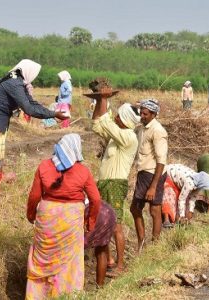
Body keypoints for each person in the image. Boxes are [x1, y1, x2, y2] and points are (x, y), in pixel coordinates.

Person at [0, 59, 67, 203]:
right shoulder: (15, 84)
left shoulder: (16, 82)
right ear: (29, 72)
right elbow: (29, 109)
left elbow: (31, 103)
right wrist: (53, 114)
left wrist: (52, 112)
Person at [26, 133, 101, 299]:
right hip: (71, 219)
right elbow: (95, 199)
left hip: (47, 217)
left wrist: (31, 215)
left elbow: (34, 196)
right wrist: (90, 222)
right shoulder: (82, 171)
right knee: (68, 263)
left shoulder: (44, 166)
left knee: (42, 260)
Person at [91, 93, 140, 275]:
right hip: (104, 183)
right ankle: (110, 259)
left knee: (116, 225)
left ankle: (120, 265)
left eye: (119, 115)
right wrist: (98, 101)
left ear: (126, 120)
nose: (116, 117)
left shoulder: (128, 137)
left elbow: (107, 123)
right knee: (104, 223)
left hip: (115, 185)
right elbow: (97, 124)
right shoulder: (117, 136)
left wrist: (104, 99)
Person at [130, 99, 168, 253]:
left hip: (154, 173)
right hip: (143, 173)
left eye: (145, 113)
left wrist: (153, 186)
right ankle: (142, 242)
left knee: (154, 211)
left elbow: (161, 161)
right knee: (135, 208)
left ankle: (155, 245)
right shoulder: (141, 128)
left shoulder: (158, 131)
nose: (142, 116)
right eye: (141, 113)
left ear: (154, 114)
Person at [84, 200, 116, 286]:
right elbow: (95, 196)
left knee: (76, 251)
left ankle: (73, 288)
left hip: (91, 211)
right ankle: (100, 287)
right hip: (107, 211)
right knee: (101, 251)